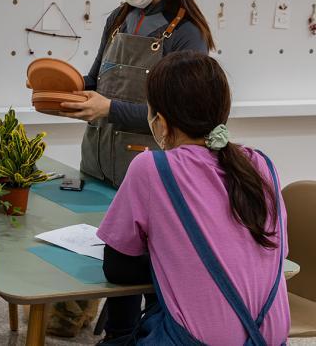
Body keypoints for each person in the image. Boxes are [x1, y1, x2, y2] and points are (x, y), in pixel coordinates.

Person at [46, 0, 215, 338]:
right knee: (109, 259)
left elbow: (182, 118)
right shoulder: (118, 19)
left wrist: (109, 109)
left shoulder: (187, 35)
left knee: (148, 273)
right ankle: (110, 329)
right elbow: (95, 80)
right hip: (100, 161)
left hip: (151, 170)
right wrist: (65, 91)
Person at [97, 51, 290, 345]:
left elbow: (117, 268)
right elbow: (277, 252)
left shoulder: (152, 168)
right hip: (271, 339)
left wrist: (171, 259)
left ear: (159, 120)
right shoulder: (262, 165)